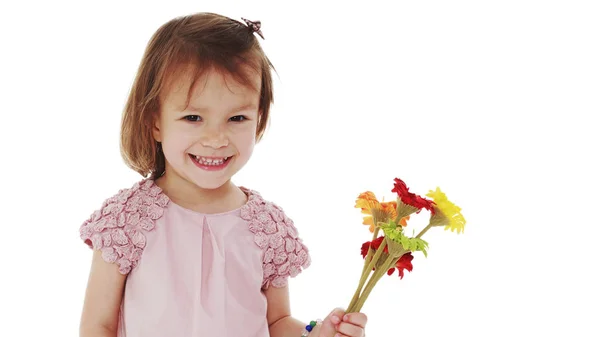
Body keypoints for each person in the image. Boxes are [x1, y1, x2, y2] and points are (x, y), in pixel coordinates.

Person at [78, 12, 368, 337]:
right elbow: (96, 325)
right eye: (192, 117)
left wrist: (316, 334)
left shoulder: (266, 228)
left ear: (259, 118)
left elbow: (277, 323)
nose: (216, 139)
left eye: (237, 118)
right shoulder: (128, 220)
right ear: (155, 121)